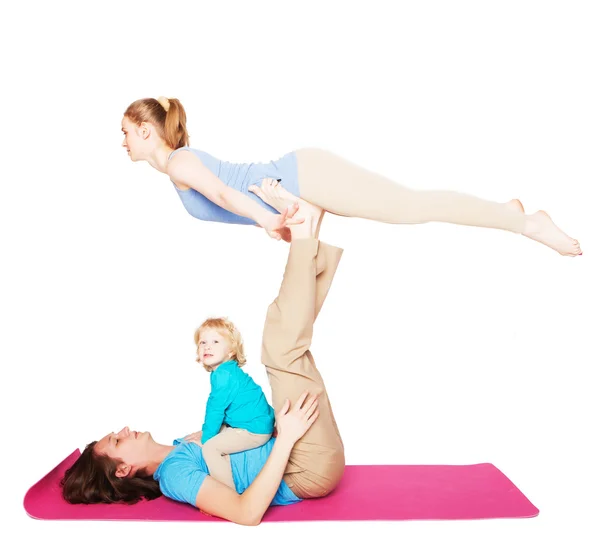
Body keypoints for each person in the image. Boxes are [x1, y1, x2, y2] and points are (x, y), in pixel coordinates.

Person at [61, 194, 346, 525]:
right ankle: (305, 234)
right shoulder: (174, 475)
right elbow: (247, 513)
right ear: (122, 469)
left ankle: (311, 238)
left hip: (302, 450)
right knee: (280, 349)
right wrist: (287, 439)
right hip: (304, 466)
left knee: (285, 342)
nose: (124, 429)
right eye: (116, 440)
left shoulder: (184, 444)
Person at [120, 96, 582, 256]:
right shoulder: (177, 168)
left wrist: (266, 220)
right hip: (298, 193)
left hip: (303, 177)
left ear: (146, 129)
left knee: (410, 208)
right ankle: (503, 214)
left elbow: (223, 192)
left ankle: (526, 223)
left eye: (126, 132)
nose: (122, 141)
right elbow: (233, 196)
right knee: (409, 208)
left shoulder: (178, 163)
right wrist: (276, 220)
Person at [193, 317, 275, 490]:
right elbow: (253, 397)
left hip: (254, 431)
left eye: (215, 341)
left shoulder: (223, 376)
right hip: (259, 422)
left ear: (230, 351)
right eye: (202, 342)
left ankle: (226, 493)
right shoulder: (228, 371)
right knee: (220, 429)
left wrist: (206, 439)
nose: (207, 346)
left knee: (210, 449)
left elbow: (214, 410)